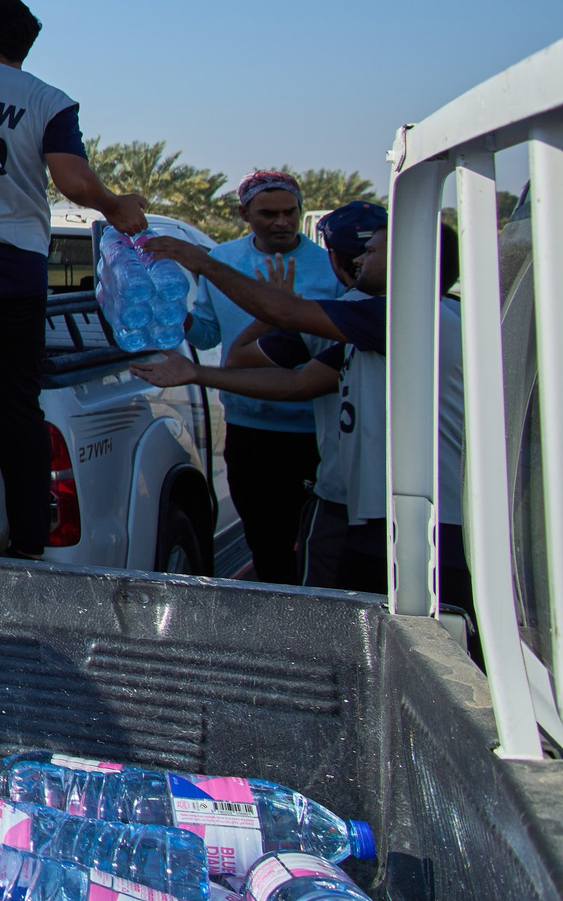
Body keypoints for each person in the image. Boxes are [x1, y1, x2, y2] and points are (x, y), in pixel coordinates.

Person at [134, 205, 469, 618]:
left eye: (374, 252)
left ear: (412, 261)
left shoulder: (407, 316)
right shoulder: (380, 327)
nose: (360, 259)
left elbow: (285, 314)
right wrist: (197, 373)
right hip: (383, 519)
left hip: (429, 526)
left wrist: (202, 261)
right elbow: (299, 383)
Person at [0, 0, 147, 559]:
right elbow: (73, 181)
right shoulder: (50, 101)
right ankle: (29, 544)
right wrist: (118, 207)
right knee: (14, 403)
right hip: (15, 262)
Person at [181, 170, 346, 583]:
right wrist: (168, 312)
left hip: (316, 432)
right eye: (268, 213)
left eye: (290, 212)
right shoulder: (222, 261)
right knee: (265, 544)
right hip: (248, 430)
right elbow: (206, 333)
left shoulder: (329, 267)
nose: (282, 222)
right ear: (244, 214)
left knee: (312, 546)